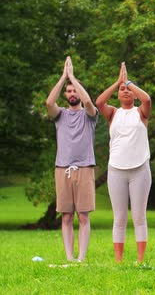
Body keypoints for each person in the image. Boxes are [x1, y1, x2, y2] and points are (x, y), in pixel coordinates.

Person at [96, 62, 152, 263]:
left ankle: (140, 259)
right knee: (119, 218)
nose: (126, 91)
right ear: (118, 95)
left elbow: (147, 98)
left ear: (134, 94)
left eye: (129, 89)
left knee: (139, 217)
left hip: (140, 170)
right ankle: (119, 260)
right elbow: (99, 102)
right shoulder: (113, 113)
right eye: (122, 90)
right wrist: (117, 82)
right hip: (116, 170)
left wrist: (128, 81)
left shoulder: (140, 112)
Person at [46, 56, 98, 262]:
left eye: (74, 89)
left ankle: (81, 258)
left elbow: (88, 102)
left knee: (83, 216)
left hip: (84, 168)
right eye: (68, 91)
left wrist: (73, 78)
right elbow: (49, 102)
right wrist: (63, 77)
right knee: (66, 216)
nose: (71, 93)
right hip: (62, 168)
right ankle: (69, 258)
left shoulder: (89, 115)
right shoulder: (60, 114)